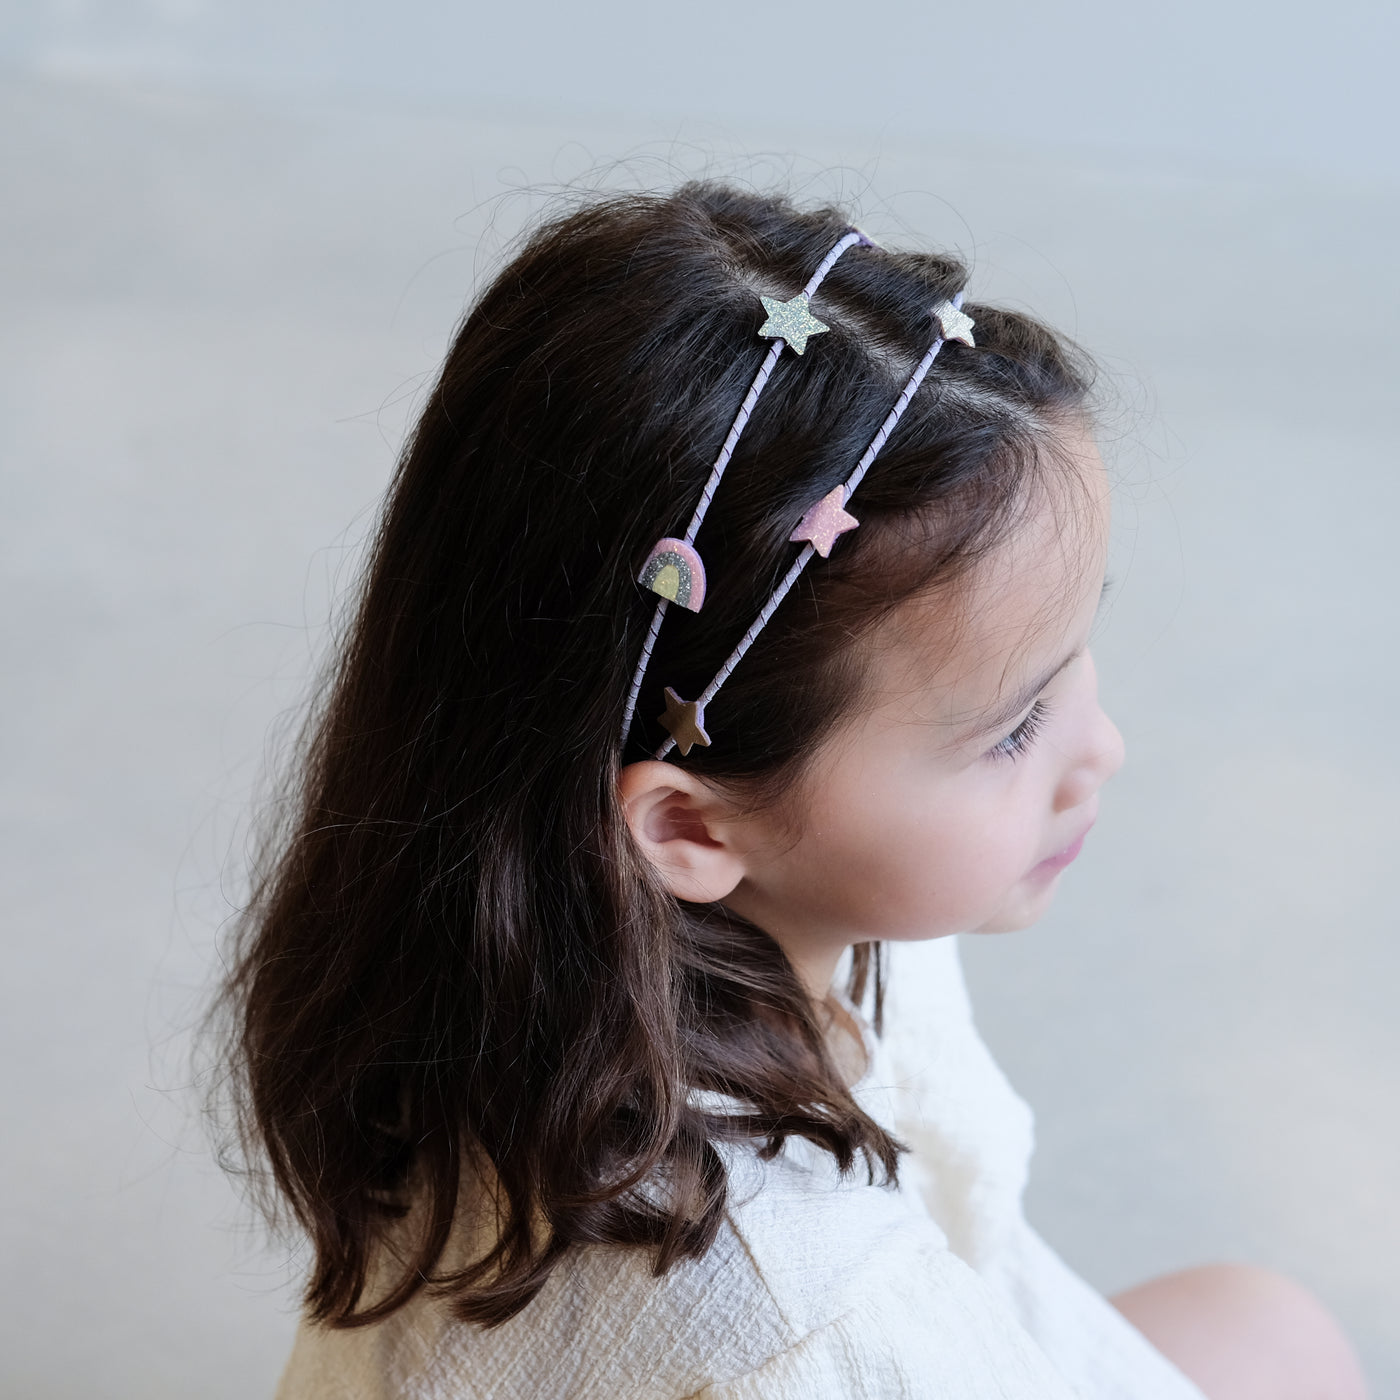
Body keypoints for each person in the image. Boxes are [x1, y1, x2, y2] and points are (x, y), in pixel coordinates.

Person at [215, 183, 1369, 1398]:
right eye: (1013, 725)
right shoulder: (802, 1322)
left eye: (1073, 648)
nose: (1103, 747)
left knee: (1265, 1328)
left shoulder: (542, 954)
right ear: (689, 824)